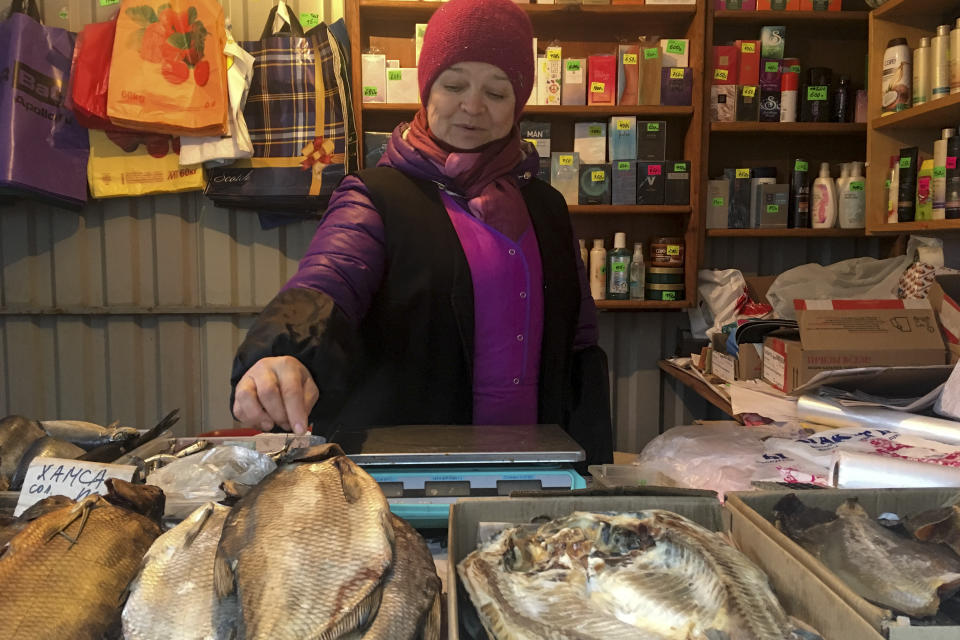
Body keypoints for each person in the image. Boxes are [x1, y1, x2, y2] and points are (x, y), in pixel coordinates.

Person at [230, 0, 613, 465]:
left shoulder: (546, 206)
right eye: (454, 85)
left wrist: (592, 467)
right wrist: (280, 353)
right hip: (408, 476)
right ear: (426, 89)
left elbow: (579, 344)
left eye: (497, 92)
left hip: (535, 469)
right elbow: (329, 280)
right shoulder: (376, 195)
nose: (473, 107)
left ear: (519, 104)